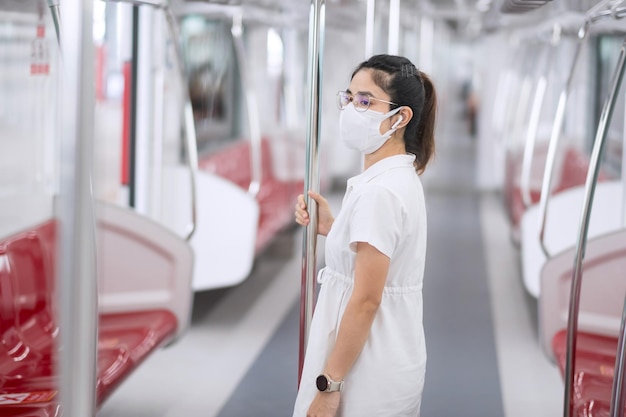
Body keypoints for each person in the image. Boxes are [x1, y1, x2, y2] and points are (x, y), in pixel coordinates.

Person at [292, 54, 437, 417]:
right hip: (385, 356)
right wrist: (335, 227)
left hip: (365, 371)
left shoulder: (380, 193)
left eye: (365, 101)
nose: (351, 110)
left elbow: (366, 300)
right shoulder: (394, 178)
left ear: (400, 117)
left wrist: (329, 385)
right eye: (350, 97)